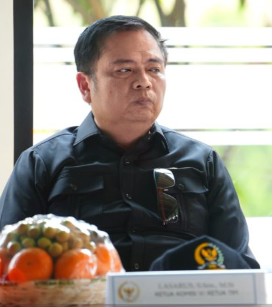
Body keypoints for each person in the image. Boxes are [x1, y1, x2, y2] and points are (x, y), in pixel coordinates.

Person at [0, 16, 258, 271]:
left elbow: (238, 266)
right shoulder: (42, 163)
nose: (144, 81)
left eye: (154, 69)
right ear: (85, 86)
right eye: (124, 70)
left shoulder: (203, 162)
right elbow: (9, 264)